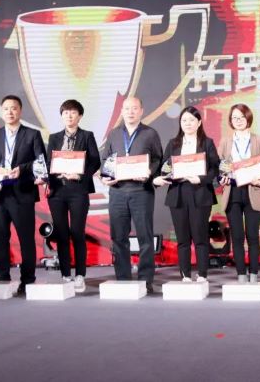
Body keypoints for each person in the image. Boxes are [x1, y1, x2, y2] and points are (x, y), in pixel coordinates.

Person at [0, 95, 46, 295]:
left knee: (26, 239)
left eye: (14, 108)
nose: (10, 112)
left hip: (22, 193)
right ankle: (3, 278)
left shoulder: (32, 134)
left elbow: (41, 162)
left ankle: (27, 280)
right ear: (2, 112)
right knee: (1, 239)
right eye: (6, 108)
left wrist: (22, 169)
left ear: (20, 111)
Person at [101, 97, 162, 293]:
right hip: (118, 191)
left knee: (145, 237)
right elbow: (106, 159)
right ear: (122, 111)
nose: (130, 112)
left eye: (134, 108)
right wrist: (106, 177)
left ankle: (146, 280)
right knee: (118, 237)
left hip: (141, 191)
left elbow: (158, 159)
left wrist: (149, 172)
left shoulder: (150, 133)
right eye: (127, 108)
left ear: (141, 111)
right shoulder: (114, 134)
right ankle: (123, 279)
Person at [153, 106, 219, 283]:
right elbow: (165, 167)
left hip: (200, 192)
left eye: (191, 120)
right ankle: (185, 275)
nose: (187, 123)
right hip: (178, 193)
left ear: (199, 122)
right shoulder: (173, 144)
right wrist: (163, 176)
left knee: (200, 237)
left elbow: (215, 168)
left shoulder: (207, 143)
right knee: (182, 238)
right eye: (184, 120)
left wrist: (201, 179)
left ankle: (202, 274)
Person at [44, 100, 101, 293]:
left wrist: (81, 175)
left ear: (80, 116)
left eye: (73, 112)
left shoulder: (87, 136)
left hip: (78, 190)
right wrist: (47, 178)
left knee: (77, 232)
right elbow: (48, 162)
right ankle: (65, 274)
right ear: (61, 116)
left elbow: (95, 161)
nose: (69, 115)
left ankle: (80, 275)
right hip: (57, 191)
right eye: (66, 112)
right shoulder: (54, 137)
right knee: (61, 234)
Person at [217, 104, 260, 284]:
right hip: (232, 191)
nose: (238, 121)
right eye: (234, 118)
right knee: (237, 236)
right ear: (230, 121)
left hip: (253, 190)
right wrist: (222, 178)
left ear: (248, 118)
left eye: (241, 117)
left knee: (253, 236)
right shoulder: (225, 141)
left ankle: (254, 274)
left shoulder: (259, 140)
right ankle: (241, 274)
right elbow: (219, 165)